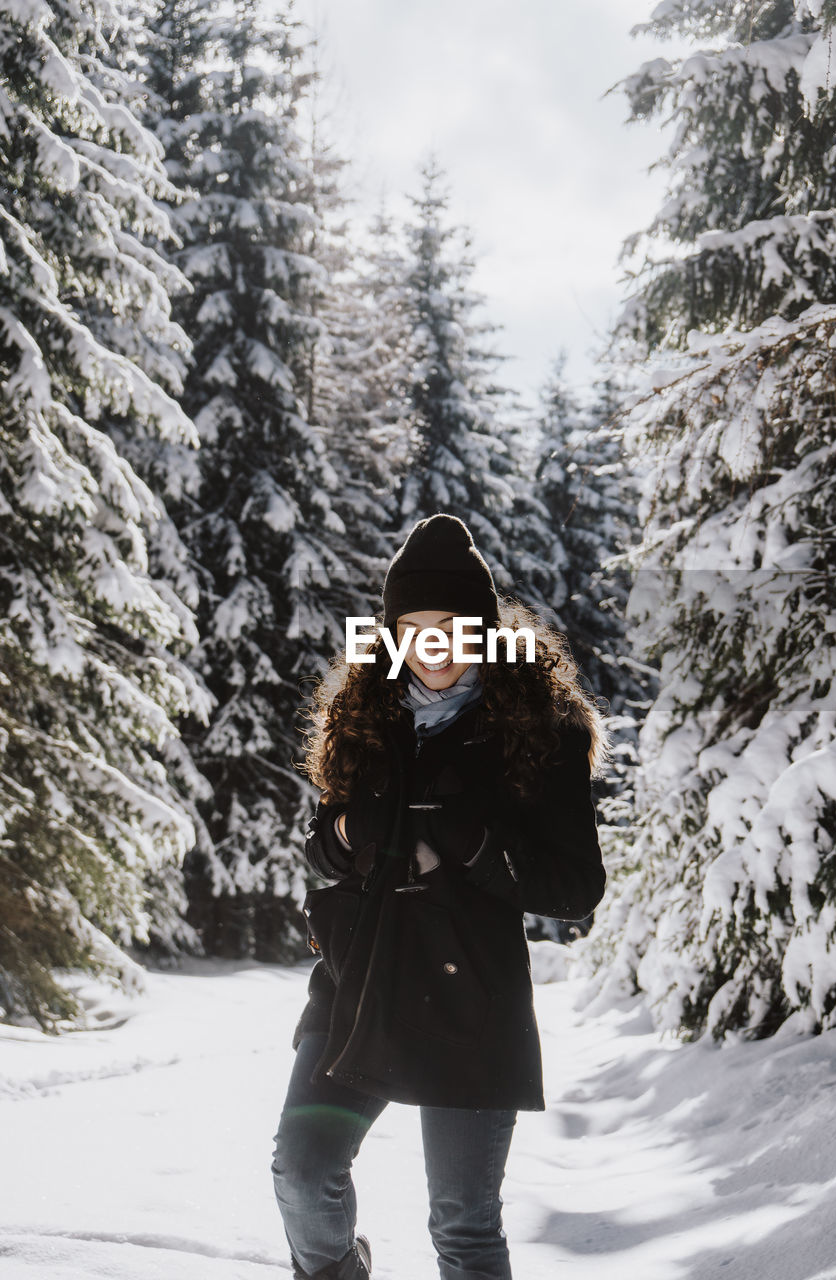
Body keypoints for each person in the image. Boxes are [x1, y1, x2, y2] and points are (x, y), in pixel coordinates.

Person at [271, 513, 608, 1280]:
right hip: (360, 985)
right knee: (301, 1170)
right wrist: (353, 829)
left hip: (471, 1001)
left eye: (450, 627)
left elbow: (574, 888)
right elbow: (321, 844)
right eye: (413, 627)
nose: (432, 645)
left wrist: (476, 845)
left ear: (482, 632)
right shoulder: (367, 719)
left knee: (460, 1226)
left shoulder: (537, 730)